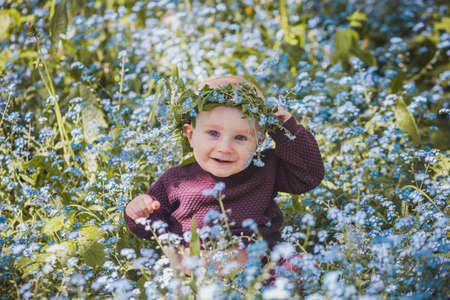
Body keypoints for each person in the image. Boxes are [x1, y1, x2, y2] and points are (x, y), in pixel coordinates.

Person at [124, 75, 324, 275]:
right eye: (213, 133)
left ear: (260, 140)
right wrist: (138, 211)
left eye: (240, 137)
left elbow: (308, 176)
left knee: (301, 265)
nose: (225, 148)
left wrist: (286, 128)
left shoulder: (265, 167)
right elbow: (152, 228)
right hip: (198, 278)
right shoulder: (176, 181)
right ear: (190, 134)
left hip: (259, 270)